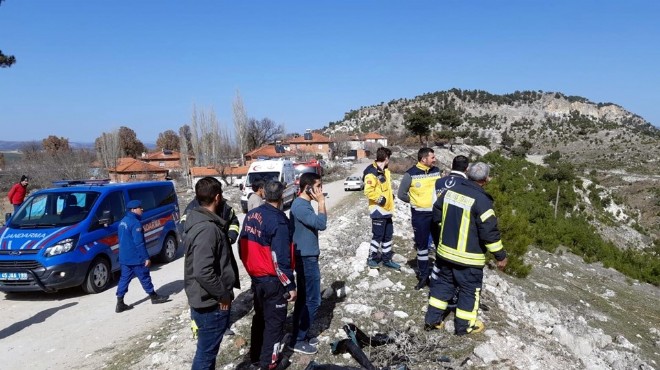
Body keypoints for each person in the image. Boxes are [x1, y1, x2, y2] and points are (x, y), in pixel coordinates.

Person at [425, 162, 508, 335]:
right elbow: (489, 234)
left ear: (468, 174)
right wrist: (500, 256)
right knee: (469, 291)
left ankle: (432, 321)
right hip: (469, 259)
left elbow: (437, 213)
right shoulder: (482, 201)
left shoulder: (450, 192)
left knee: (443, 285)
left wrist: (445, 231)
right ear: (485, 180)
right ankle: (464, 326)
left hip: (445, 253)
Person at [183, 177, 240, 370]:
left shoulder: (199, 219)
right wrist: (223, 295)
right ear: (217, 197)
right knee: (205, 355)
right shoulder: (208, 229)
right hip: (211, 302)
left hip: (206, 299)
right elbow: (203, 271)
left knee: (208, 352)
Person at [239, 180, 297, 370]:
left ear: (264, 195)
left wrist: (252, 269)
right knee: (274, 323)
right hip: (272, 280)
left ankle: (256, 356)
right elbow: (281, 258)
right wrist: (290, 285)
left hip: (257, 279)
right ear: (281, 197)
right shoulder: (279, 221)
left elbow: (242, 246)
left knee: (260, 317)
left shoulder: (252, 215)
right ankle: (268, 363)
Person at [289, 172, 327, 355]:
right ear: (307, 188)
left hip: (308, 256)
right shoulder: (300, 206)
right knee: (313, 300)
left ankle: (299, 335)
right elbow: (321, 224)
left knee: (304, 299)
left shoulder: (303, 204)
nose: (321, 190)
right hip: (306, 259)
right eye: (318, 186)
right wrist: (321, 202)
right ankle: (298, 339)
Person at [397, 148, 441, 289]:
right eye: (432, 157)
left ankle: (438, 275)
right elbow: (401, 194)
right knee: (422, 247)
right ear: (424, 159)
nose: (434, 159)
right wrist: (415, 201)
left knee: (440, 246)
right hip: (420, 216)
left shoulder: (436, 171)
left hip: (436, 214)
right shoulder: (410, 174)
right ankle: (423, 276)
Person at [115, 200, 169, 313]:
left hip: (124, 257)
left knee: (124, 279)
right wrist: (146, 258)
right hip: (136, 257)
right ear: (133, 210)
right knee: (144, 277)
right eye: (139, 207)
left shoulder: (122, 221)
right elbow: (139, 243)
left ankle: (119, 303)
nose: (142, 209)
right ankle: (154, 297)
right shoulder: (135, 223)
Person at [363, 147, 399, 270]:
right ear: (386, 158)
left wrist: (390, 196)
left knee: (388, 235)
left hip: (387, 210)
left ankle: (386, 259)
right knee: (378, 236)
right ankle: (371, 258)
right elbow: (368, 191)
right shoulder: (371, 172)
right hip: (378, 210)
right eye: (389, 158)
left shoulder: (385, 171)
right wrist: (380, 199)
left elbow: (385, 188)